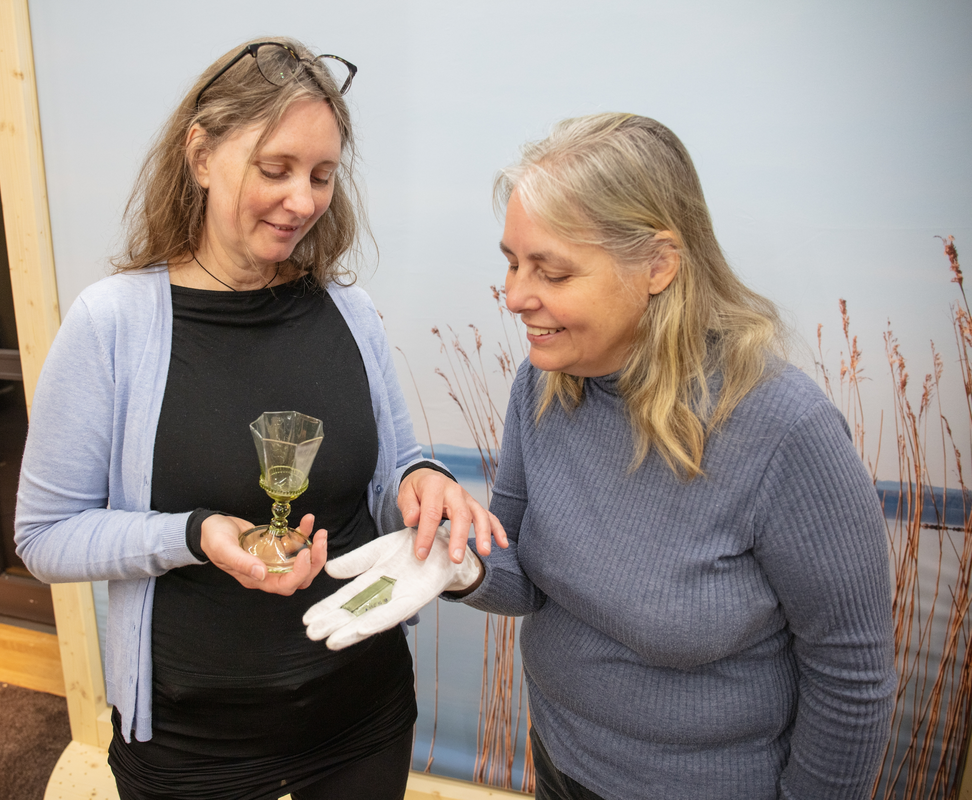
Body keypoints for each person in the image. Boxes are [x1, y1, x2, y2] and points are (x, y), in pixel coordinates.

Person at [307, 113, 895, 799]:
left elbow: (851, 679)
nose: (515, 296)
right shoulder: (544, 384)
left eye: (552, 272)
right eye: (512, 262)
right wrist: (457, 564)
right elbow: (524, 573)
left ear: (658, 266)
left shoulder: (784, 429)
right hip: (559, 763)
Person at [14, 37, 503, 800]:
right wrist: (194, 535)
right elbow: (44, 537)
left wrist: (427, 481)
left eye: (321, 176)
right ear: (201, 155)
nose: (303, 201)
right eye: (276, 170)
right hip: (193, 748)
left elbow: (397, 473)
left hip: (364, 717)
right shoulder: (112, 325)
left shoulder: (351, 313)